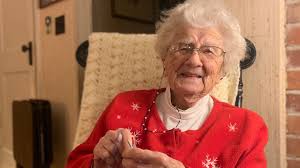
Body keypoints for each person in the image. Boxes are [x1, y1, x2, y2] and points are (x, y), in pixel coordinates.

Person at [67, 0, 268, 167]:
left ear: (223, 69)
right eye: (183, 47)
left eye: (209, 51)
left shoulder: (247, 128)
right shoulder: (123, 106)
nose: (194, 60)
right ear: (165, 57)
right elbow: (75, 163)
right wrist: (96, 164)